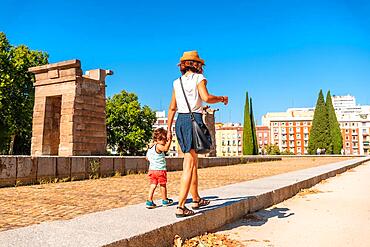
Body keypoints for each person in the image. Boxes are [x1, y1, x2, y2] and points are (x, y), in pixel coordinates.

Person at [167, 51, 228, 217]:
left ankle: (196, 198)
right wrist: (222, 98)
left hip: (181, 121)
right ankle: (180, 206)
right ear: (196, 64)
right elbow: (206, 98)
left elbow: (172, 107)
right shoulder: (199, 79)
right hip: (194, 121)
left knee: (193, 161)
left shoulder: (176, 82)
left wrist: (168, 129)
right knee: (189, 164)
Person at [145, 128, 174, 209]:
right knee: (163, 185)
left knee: (153, 185)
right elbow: (166, 149)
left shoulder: (150, 148)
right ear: (158, 139)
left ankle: (149, 201)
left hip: (152, 170)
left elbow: (147, 158)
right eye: (163, 140)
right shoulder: (158, 146)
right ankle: (165, 200)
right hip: (160, 170)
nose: (164, 142)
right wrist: (169, 141)